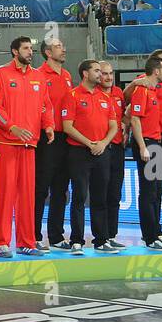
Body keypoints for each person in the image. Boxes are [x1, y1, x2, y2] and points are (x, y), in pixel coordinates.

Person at [0, 36, 53, 257]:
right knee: (5, 194)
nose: (30, 52)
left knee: (28, 196)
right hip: (6, 143)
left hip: (30, 144)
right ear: (15, 51)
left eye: (31, 49)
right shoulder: (1, 73)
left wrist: (49, 126)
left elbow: (46, 106)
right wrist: (11, 127)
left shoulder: (39, 77)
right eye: (26, 48)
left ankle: (27, 242)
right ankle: (1, 242)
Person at [59, 59, 119, 253]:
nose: (101, 74)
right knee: (79, 197)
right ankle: (76, 240)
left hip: (101, 153)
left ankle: (101, 240)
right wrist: (89, 143)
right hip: (79, 153)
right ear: (85, 73)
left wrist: (102, 143)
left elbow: (114, 126)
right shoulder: (72, 95)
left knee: (100, 198)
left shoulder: (105, 97)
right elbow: (67, 126)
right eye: (96, 71)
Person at [34, 37, 73, 250]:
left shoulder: (67, 76)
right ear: (48, 52)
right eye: (59, 46)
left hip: (65, 138)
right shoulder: (38, 75)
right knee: (41, 188)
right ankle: (33, 235)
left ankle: (56, 236)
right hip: (45, 137)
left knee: (61, 189)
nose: (63, 49)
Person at [128, 55, 162, 249]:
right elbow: (134, 119)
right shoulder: (142, 91)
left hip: (156, 143)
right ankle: (149, 237)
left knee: (157, 191)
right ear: (156, 71)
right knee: (148, 192)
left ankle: (156, 233)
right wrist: (143, 146)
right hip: (148, 145)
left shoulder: (153, 92)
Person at [98, 61, 127, 250]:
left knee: (115, 194)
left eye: (111, 73)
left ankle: (111, 235)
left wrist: (125, 123)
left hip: (118, 147)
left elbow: (124, 114)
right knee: (101, 194)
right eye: (104, 74)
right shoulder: (93, 94)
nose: (108, 77)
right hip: (100, 149)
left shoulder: (118, 93)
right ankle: (100, 238)